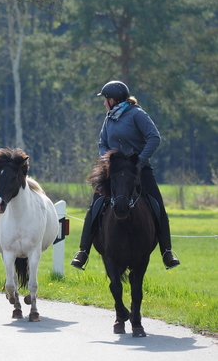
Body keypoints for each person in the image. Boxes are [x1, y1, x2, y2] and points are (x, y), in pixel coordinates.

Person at [71, 80, 180, 270]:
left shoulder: (137, 115)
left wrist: (140, 161)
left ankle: (167, 252)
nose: (104, 103)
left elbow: (154, 137)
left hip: (138, 170)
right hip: (113, 171)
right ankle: (83, 251)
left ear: (113, 100)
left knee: (157, 205)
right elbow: (102, 143)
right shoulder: (109, 118)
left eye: (106, 100)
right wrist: (107, 162)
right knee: (95, 205)